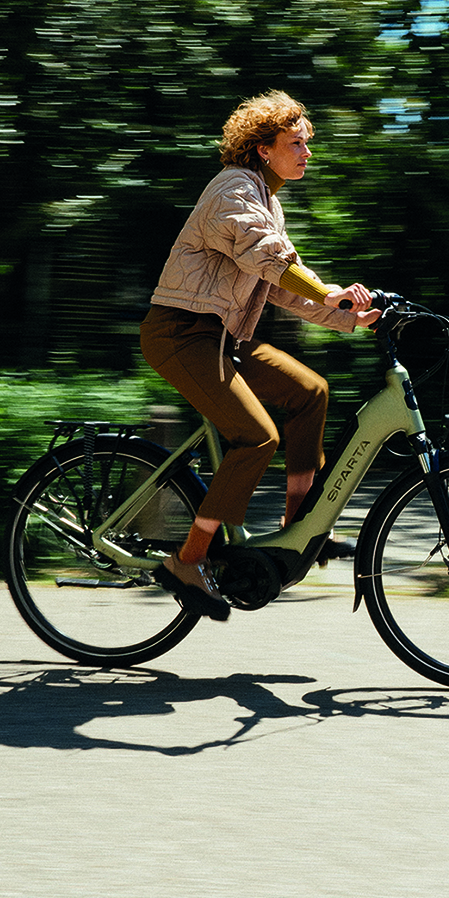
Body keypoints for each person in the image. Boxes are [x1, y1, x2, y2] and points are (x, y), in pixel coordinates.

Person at [138, 90, 380, 621]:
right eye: (297, 143)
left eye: (307, 144)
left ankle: (299, 531)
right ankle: (189, 560)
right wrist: (326, 290)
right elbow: (268, 256)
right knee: (257, 438)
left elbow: (282, 289)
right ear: (263, 149)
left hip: (225, 339)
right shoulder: (233, 189)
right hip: (182, 334)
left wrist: (347, 316)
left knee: (310, 392)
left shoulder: (268, 201)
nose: (307, 153)